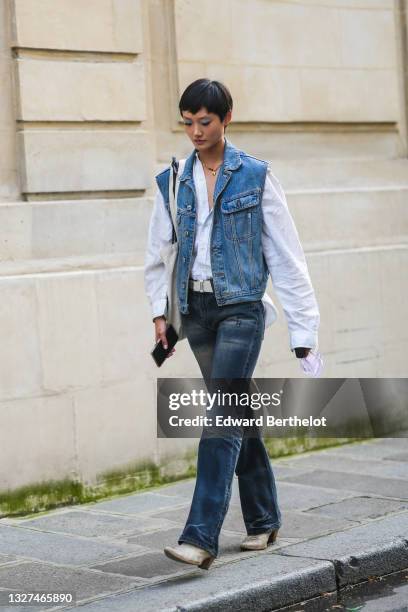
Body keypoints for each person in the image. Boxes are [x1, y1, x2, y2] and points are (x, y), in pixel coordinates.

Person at [144, 79, 320, 570]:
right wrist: (161, 313)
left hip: (241, 309)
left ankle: (199, 538)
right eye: (188, 122)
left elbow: (286, 257)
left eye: (205, 121)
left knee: (222, 414)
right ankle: (264, 518)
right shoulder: (172, 179)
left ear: (226, 119)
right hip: (196, 313)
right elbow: (159, 252)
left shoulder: (257, 176)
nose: (196, 132)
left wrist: (303, 333)